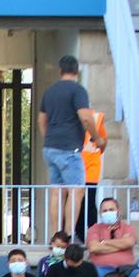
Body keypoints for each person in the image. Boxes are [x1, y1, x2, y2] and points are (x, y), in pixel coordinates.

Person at [39, 56, 95, 244]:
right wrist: (97, 136)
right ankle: (68, 235)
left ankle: (56, 235)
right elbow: (86, 118)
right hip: (70, 148)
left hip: (50, 147)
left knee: (57, 192)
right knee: (76, 191)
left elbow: (42, 120)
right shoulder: (77, 90)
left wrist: (50, 138)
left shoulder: (49, 92)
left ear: (60, 70)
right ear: (77, 71)